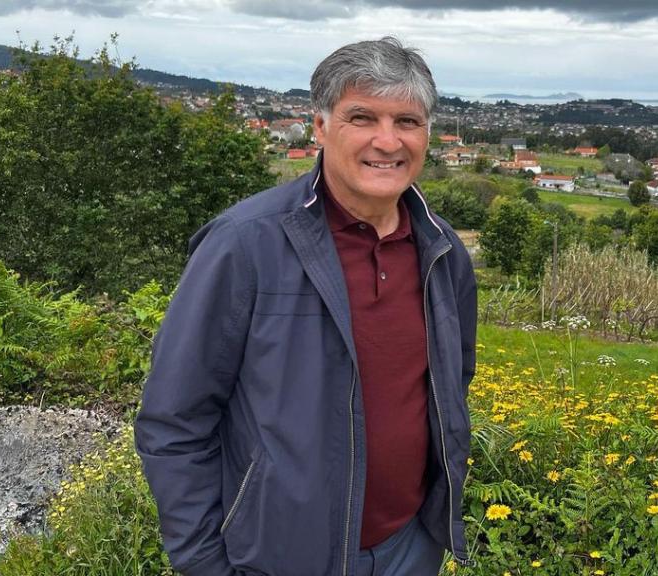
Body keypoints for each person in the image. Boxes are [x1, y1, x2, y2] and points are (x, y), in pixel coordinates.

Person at [134, 37, 476, 576]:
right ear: (320, 127)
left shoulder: (442, 250)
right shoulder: (245, 244)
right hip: (281, 556)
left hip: (410, 547)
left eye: (407, 121)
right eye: (362, 117)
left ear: (428, 134)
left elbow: (453, 382)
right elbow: (174, 420)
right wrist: (203, 563)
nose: (387, 142)